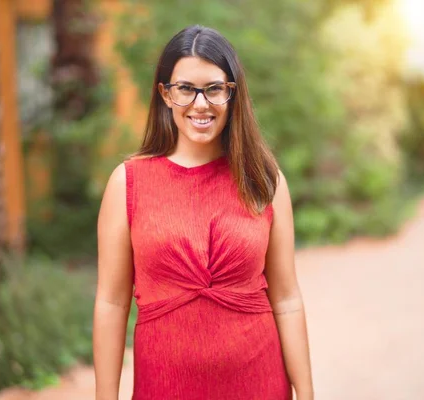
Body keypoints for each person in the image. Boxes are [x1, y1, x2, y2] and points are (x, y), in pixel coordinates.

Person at [93, 25, 313, 400]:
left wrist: (306, 395)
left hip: (259, 382)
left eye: (214, 88)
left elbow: (287, 299)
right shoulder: (127, 183)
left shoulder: (265, 180)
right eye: (185, 89)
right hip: (164, 386)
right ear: (165, 93)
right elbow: (112, 302)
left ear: (232, 94)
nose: (200, 104)